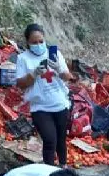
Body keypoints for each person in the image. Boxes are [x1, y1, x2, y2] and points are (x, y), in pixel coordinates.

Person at [15, 23, 77, 167]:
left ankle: (63, 167)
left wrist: (58, 70)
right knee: (50, 140)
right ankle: (48, 172)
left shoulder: (54, 53)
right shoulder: (23, 59)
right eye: (34, 42)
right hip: (40, 107)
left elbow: (68, 77)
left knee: (61, 140)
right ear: (28, 43)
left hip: (60, 103)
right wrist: (35, 73)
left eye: (41, 41)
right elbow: (21, 84)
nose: (38, 44)